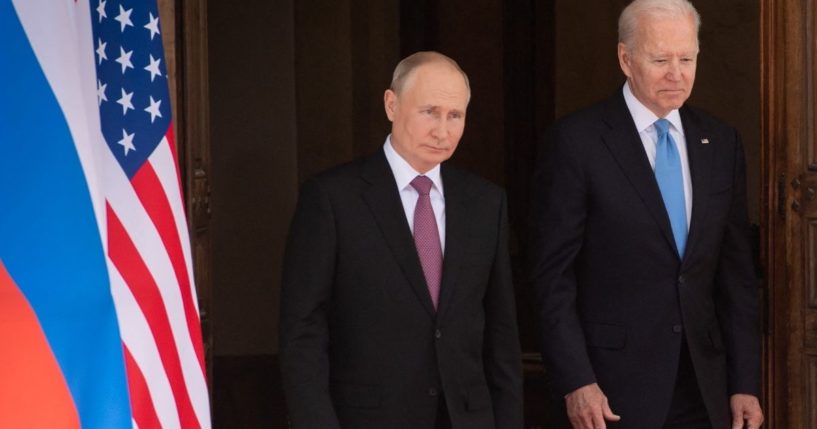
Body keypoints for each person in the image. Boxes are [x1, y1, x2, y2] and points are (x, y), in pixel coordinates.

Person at [528, 1, 764, 428]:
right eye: (660, 59)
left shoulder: (721, 142)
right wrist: (576, 379)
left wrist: (743, 382)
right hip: (611, 390)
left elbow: (736, 274)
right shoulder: (577, 142)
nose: (676, 73)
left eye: (687, 58)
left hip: (703, 387)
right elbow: (552, 275)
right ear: (625, 58)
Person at [280, 51, 523, 429]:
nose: (442, 131)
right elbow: (303, 335)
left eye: (455, 116)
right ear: (391, 104)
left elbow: (501, 335)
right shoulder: (332, 199)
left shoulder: (486, 203)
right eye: (430, 112)